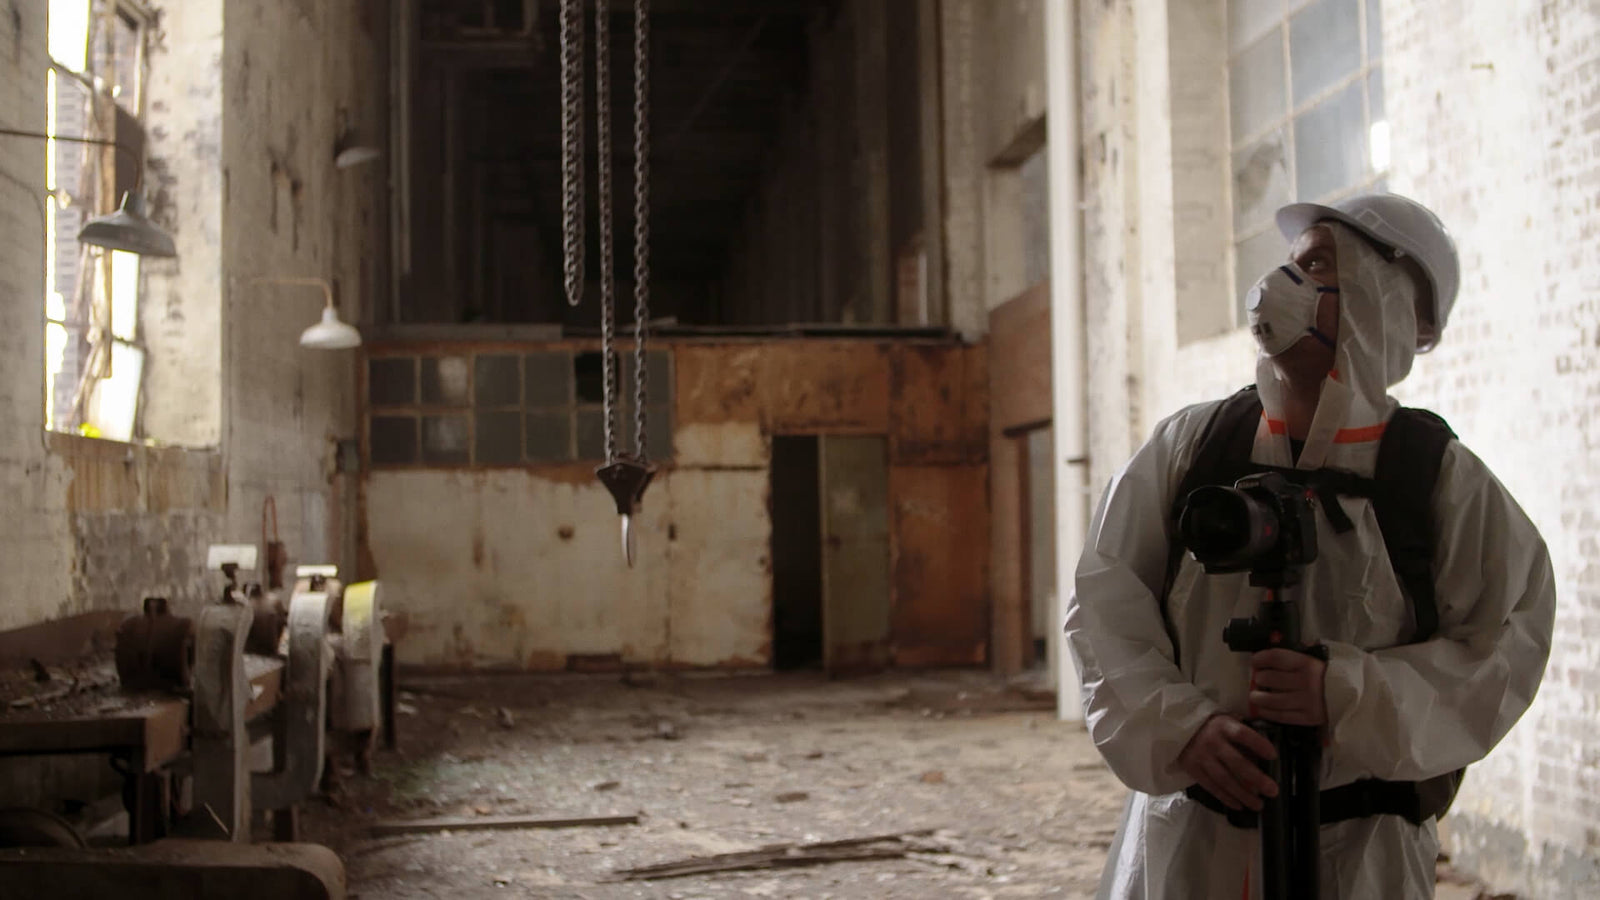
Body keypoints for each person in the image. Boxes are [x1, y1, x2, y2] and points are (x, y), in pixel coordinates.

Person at [1063, 193, 1556, 898]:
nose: (1287, 283)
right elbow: (1105, 599)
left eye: (1321, 263)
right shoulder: (1194, 448)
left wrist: (1346, 693)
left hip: (1361, 856)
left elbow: (1504, 649)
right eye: (1293, 264)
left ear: (1395, 306)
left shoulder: (1438, 480)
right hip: (1190, 843)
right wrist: (1182, 729)